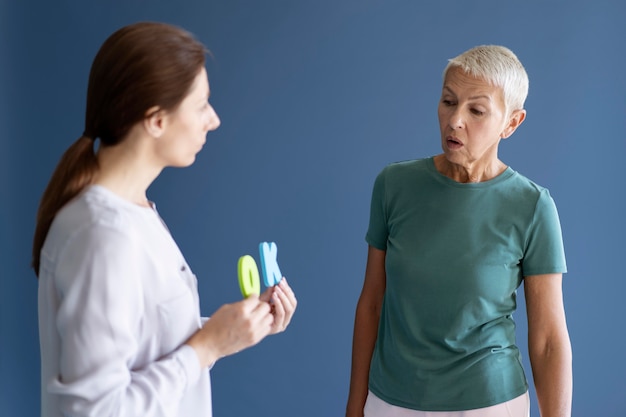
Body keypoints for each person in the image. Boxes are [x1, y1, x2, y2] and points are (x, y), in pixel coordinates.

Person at [32, 22, 297, 417]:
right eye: (202, 104)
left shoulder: (134, 213)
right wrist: (206, 347)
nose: (214, 119)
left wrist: (236, 330)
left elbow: (146, 343)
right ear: (155, 120)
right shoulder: (102, 236)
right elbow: (96, 410)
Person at [346, 45, 572, 417]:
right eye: (449, 102)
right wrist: (355, 407)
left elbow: (548, 340)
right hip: (389, 402)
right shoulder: (394, 185)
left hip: (490, 403)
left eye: (476, 110)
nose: (455, 121)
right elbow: (371, 303)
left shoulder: (532, 206)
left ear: (511, 123)